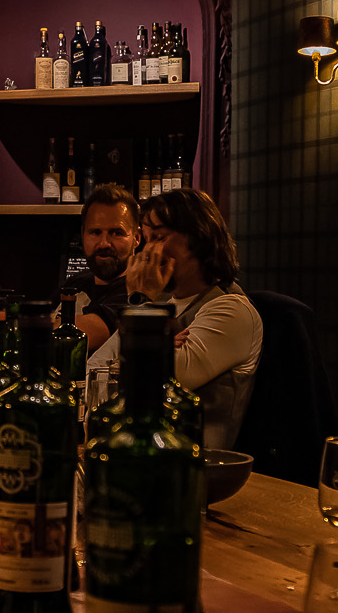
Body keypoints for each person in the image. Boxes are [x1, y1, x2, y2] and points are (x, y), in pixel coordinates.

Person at [87, 188, 261, 450]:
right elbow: (94, 371)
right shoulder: (166, 306)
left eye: (158, 237)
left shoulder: (231, 310)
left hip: (196, 462)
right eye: (146, 239)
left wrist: (140, 302)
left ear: (199, 239)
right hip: (144, 452)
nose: (147, 251)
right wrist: (159, 344)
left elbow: (150, 379)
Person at [67, 183, 141, 352]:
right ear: (83, 234)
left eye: (116, 233)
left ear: (136, 238)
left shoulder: (137, 292)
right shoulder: (76, 282)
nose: (104, 243)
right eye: (95, 232)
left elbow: (81, 336)